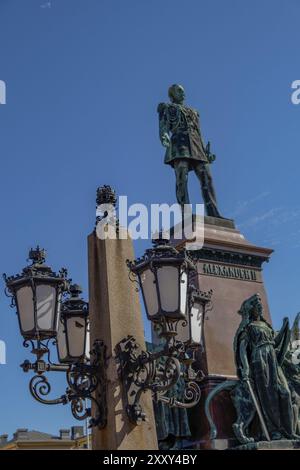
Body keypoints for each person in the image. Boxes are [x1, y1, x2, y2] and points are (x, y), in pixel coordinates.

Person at [158, 84, 222, 217]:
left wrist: (206, 151)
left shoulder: (194, 112)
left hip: (196, 145)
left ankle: (214, 212)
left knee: (207, 177)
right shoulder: (168, 108)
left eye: (183, 91)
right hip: (179, 144)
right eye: (179, 91)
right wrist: (164, 136)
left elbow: (199, 133)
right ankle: (186, 215)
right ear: (172, 95)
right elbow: (163, 127)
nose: (183, 94)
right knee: (182, 178)